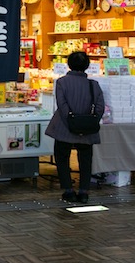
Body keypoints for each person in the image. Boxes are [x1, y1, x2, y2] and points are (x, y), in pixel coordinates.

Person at [45, 51, 105, 204]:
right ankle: (84, 191)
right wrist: (89, 122)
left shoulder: (62, 82)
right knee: (85, 159)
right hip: (87, 129)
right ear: (87, 66)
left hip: (64, 127)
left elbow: (62, 105)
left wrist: (71, 121)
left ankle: (68, 190)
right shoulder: (94, 84)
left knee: (62, 157)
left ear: (69, 64)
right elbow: (100, 108)